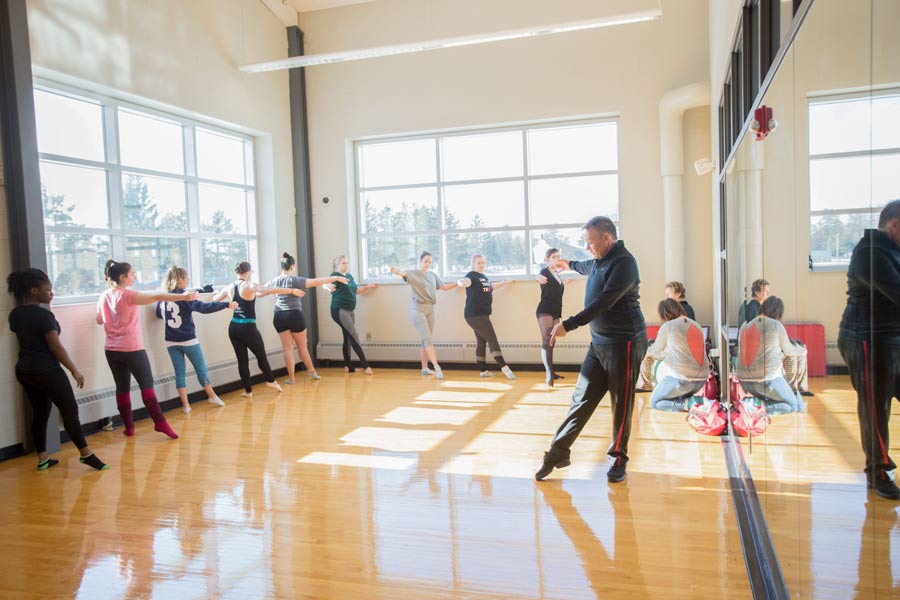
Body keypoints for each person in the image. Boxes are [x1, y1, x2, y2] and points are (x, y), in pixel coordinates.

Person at [535, 216, 648, 483]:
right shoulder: (600, 258)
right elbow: (588, 266)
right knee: (581, 398)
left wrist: (569, 325)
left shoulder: (624, 264)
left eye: (590, 242)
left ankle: (618, 458)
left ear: (607, 238)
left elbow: (603, 303)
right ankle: (558, 452)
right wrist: (569, 264)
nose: (588, 248)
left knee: (621, 404)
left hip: (625, 343)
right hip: (599, 343)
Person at [7, 269, 107, 470]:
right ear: (34, 290)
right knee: (70, 411)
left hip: (25, 371)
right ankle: (86, 454)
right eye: (48, 289)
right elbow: (56, 347)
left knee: (40, 413)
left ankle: (42, 458)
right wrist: (74, 370)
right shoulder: (44, 315)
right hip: (47, 370)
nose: (51, 293)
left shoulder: (15, 314)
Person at [837, 199, 900, 500]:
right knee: (876, 410)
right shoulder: (870, 252)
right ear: (895, 225)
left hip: (890, 340)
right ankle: (878, 471)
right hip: (867, 341)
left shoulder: (890, 250)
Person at [97, 259, 198, 439]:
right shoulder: (127, 295)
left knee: (122, 388)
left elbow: (99, 319)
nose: (134, 276)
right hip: (132, 349)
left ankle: (129, 428)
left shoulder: (104, 295)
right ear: (122, 277)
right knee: (147, 386)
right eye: (132, 274)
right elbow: (156, 297)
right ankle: (160, 424)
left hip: (111, 350)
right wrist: (183, 296)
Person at [212, 261, 300, 398]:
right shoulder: (248, 285)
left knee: (242, 360)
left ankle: (248, 391)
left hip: (233, 327)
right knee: (261, 356)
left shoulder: (229, 286)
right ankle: (271, 380)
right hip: (247, 327)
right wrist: (292, 290)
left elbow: (215, 299)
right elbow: (270, 290)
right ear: (248, 272)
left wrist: (218, 293)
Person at [156, 266, 236, 413]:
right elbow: (204, 308)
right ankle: (212, 396)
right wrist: (226, 305)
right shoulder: (185, 296)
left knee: (179, 373)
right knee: (201, 370)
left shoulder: (163, 298)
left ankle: (186, 406)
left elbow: (159, 314)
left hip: (171, 341)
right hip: (188, 340)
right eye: (186, 279)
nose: (188, 282)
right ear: (180, 280)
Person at [266, 252, 348, 383]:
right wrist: (336, 278)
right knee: (302, 345)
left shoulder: (273, 281)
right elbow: (316, 281)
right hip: (294, 315)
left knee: (287, 348)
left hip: (279, 315)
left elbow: (261, 292)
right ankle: (312, 372)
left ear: (282, 266)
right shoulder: (295, 280)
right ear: (292, 266)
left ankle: (291, 378)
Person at [389, 252, 457, 379]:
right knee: (428, 340)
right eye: (426, 261)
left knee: (424, 340)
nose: (428, 264)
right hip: (417, 309)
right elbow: (402, 273)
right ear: (420, 261)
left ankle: (425, 368)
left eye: (430, 262)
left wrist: (458, 283)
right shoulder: (413, 273)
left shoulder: (432, 275)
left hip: (430, 309)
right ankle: (437, 367)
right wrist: (395, 271)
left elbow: (445, 287)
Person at [735, 296, 803, 415]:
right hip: (766, 380)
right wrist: (801, 350)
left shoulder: (745, 326)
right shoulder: (776, 325)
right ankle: (753, 407)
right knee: (793, 405)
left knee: (787, 396)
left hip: (744, 381)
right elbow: (790, 351)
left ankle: (752, 402)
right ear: (778, 312)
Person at [456, 254, 516, 379]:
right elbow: (465, 282)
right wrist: (461, 282)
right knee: (492, 339)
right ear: (473, 264)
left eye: (483, 262)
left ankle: (483, 371)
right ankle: (504, 367)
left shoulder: (483, 277)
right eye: (479, 263)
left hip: (482, 314)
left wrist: (505, 282)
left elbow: (491, 287)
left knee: (481, 341)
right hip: (475, 315)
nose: (481, 265)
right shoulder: (471, 276)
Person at [646, 299, 710, 411]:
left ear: (664, 313)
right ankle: (699, 401)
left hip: (682, 380)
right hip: (701, 380)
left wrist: (646, 350)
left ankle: (690, 404)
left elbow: (655, 351)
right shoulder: (696, 325)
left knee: (655, 402)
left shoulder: (669, 326)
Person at [327, 254, 376, 374]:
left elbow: (355, 291)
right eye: (343, 263)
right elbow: (328, 286)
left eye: (347, 263)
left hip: (350, 310)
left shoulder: (349, 276)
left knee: (348, 337)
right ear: (337, 265)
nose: (346, 265)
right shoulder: (334, 276)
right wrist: (329, 287)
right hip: (339, 310)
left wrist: (368, 287)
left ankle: (348, 366)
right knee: (354, 334)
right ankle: (366, 366)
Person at [535, 248, 569, 386]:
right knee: (547, 341)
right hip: (545, 311)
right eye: (553, 257)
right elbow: (540, 277)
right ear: (547, 260)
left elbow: (555, 288)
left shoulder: (556, 274)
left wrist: (565, 283)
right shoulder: (544, 272)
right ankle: (548, 374)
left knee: (552, 342)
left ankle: (552, 372)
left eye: (558, 256)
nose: (556, 259)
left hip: (556, 312)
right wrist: (536, 277)